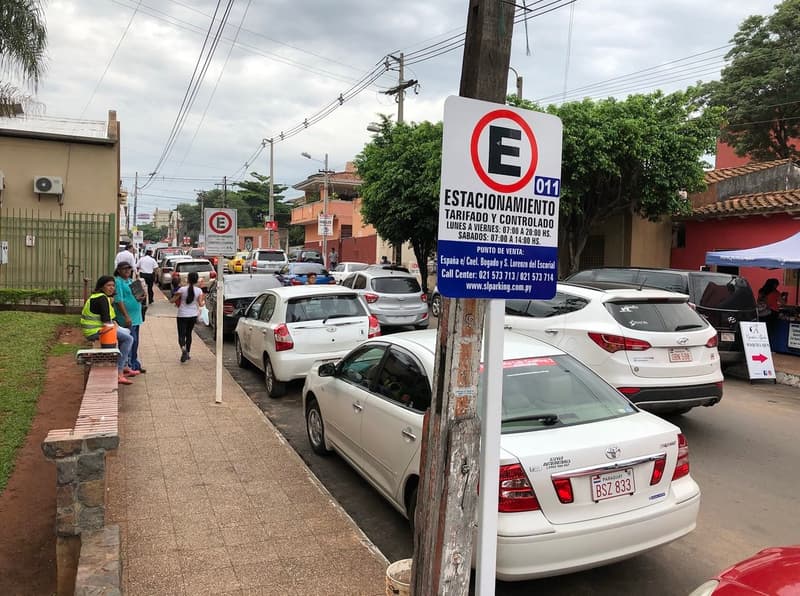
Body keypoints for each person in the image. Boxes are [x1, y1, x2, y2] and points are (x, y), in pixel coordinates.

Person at [80, 275, 136, 385]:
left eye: (113, 286)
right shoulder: (102, 299)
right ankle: (119, 372)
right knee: (128, 339)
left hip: (96, 330)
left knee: (126, 333)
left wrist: (118, 328)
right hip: (96, 332)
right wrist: (117, 329)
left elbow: (110, 320)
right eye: (108, 285)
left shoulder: (98, 296)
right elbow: (106, 322)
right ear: (101, 287)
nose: (111, 288)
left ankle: (124, 365)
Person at [114, 262, 145, 374]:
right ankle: (128, 365)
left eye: (129, 268)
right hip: (126, 317)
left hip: (136, 317)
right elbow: (119, 300)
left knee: (135, 342)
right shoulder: (118, 282)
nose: (127, 270)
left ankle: (134, 363)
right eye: (124, 269)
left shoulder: (131, 281)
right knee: (131, 340)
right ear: (118, 270)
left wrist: (142, 296)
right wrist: (126, 316)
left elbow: (138, 296)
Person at [170, 270, 205, 362]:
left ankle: (183, 349)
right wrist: (203, 301)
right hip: (193, 315)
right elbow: (201, 304)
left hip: (182, 315)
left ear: (188, 279)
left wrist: (174, 295)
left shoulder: (182, 290)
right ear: (196, 280)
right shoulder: (199, 291)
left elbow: (172, 300)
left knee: (181, 334)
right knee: (189, 334)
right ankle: (188, 353)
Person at [757, 278, 784, 345]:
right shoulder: (776, 293)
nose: (777, 286)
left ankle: (761, 343)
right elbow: (783, 302)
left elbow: (759, 301)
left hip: (762, 312)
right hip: (772, 312)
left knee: (762, 329)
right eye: (776, 285)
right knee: (770, 330)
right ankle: (769, 345)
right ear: (774, 285)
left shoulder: (761, 291)